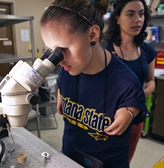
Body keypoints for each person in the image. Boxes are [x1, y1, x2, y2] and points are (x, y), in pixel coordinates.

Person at [40, 0, 149, 167]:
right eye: (52, 50)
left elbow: (135, 99)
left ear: (92, 35)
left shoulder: (126, 83)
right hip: (69, 158)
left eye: (64, 49)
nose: (58, 60)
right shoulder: (66, 70)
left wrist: (130, 110)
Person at [105, 0, 157, 163]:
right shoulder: (104, 47)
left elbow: (151, 81)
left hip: (134, 120)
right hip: (106, 117)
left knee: (124, 160)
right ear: (117, 18)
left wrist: (142, 94)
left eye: (141, 14)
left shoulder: (147, 50)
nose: (138, 20)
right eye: (130, 14)